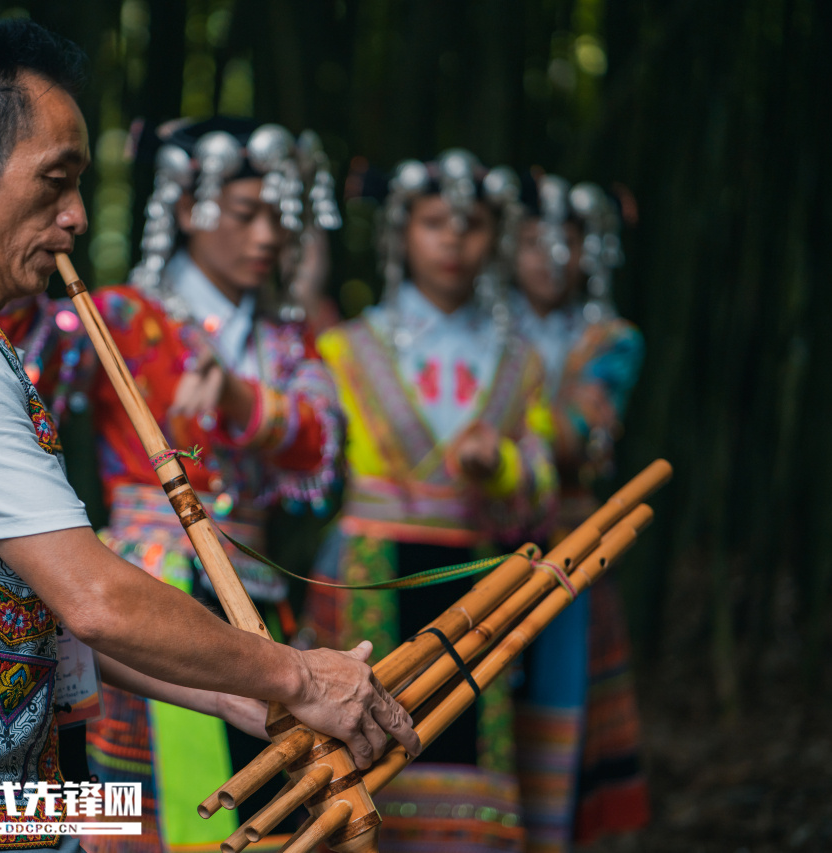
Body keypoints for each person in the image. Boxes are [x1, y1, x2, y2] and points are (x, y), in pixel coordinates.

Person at [0, 20, 420, 853]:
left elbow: (31, 597)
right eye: (57, 182)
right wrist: (299, 674)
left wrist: (244, 695)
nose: (78, 216)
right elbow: (91, 597)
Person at [36, 117, 344, 853]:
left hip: (259, 603)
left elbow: (322, 448)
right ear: (184, 209)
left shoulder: (286, 337)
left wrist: (240, 399)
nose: (266, 235)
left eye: (279, 216)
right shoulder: (116, 316)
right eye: (245, 214)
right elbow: (31, 386)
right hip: (149, 598)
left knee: (270, 803)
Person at [306, 150, 557, 853]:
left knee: (465, 759)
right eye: (433, 222)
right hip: (369, 574)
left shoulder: (520, 361)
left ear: (495, 237)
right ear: (400, 231)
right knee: (358, 756)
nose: (453, 240)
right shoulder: (344, 347)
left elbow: (542, 481)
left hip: (478, 579)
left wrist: (501, 463)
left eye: (472, 224)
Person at [510, 172, 648, 852]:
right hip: (484, 541)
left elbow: (582, 444)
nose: (548, 259)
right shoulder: (478, 329)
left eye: (565, 242)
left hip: (568, 547)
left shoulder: (610, 340)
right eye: (532, 241)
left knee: (555, 713)